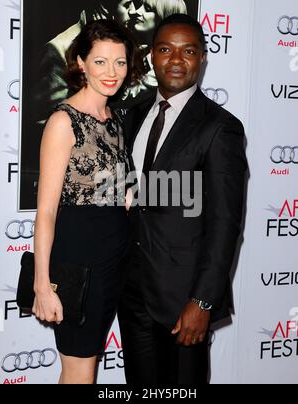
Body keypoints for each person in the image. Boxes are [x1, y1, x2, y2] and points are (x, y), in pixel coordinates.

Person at [118, 14, 247, 385]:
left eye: (188, 51)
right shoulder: (135, 113)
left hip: (184, 298)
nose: (176, 60)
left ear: (202, 58)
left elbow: (225, 224)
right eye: (166, 50)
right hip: (131, 290)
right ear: (152, 57)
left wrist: (203, 302)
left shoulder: (220, 127)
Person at [32, 19, 143, 384]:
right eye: (100, 61)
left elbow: (118, 192)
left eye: (120, 62)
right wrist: (42, 285)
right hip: (79, 260)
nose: (111, 72)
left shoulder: (113, 119)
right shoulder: (64, 121)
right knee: (79, 369)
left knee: (87, 367)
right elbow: (46, 212)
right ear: (81, 62)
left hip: (114, 258)